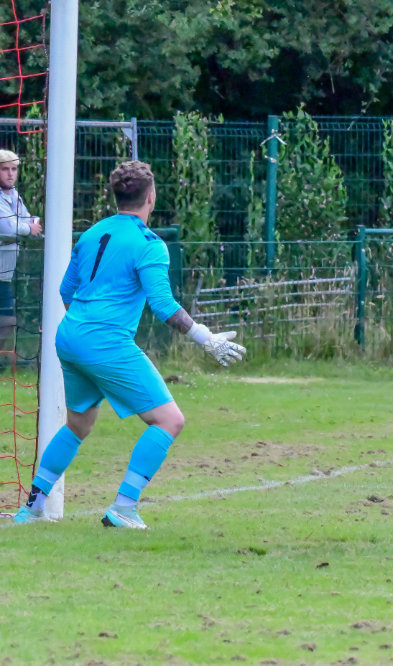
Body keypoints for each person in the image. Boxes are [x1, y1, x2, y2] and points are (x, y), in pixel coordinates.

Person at [13, 160, 246, 529]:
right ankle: (124, 507)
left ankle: (33, 508)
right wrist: (206, 337)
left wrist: (87, 331)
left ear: (116, 196)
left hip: (70, 335)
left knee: (78, 424)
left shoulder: (92, 233)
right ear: (150, 197)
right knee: (169, 420)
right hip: (104, 341)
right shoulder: (149, 244)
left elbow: (66, 290)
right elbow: (163, 305)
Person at [0, 149, 43, 352]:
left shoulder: (14, 195)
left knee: (7, 321)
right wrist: (29, 228)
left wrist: (33, 222)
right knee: (6, 320)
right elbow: (7, 227)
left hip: (5, 274)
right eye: (5, 169)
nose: (10, 174)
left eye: (14, 169)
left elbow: (27, 218)